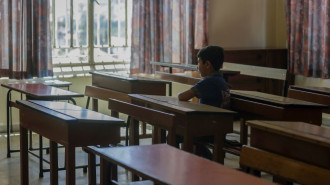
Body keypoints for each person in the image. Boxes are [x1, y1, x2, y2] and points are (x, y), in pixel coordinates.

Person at [178, 45, 233, 159]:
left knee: (176, 131)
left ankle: (181, 163)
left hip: (209, 130)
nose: (197, 67)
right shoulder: (221, 80)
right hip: (220, 128)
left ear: (207, 64)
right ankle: (206, 158)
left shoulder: (208, 82)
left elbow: (182, 97)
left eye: (199, 62)